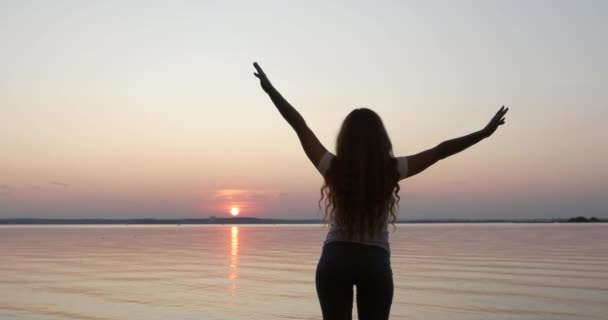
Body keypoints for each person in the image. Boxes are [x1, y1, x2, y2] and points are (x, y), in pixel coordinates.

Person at [252, 62, 508, 320]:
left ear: (345, 138)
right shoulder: (392, 170)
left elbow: (300, 126)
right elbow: (440, 151)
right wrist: (484, 133)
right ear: (381, 139)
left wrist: (271, 91)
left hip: (335, 259)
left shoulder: (333, 167)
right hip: (374, 262)